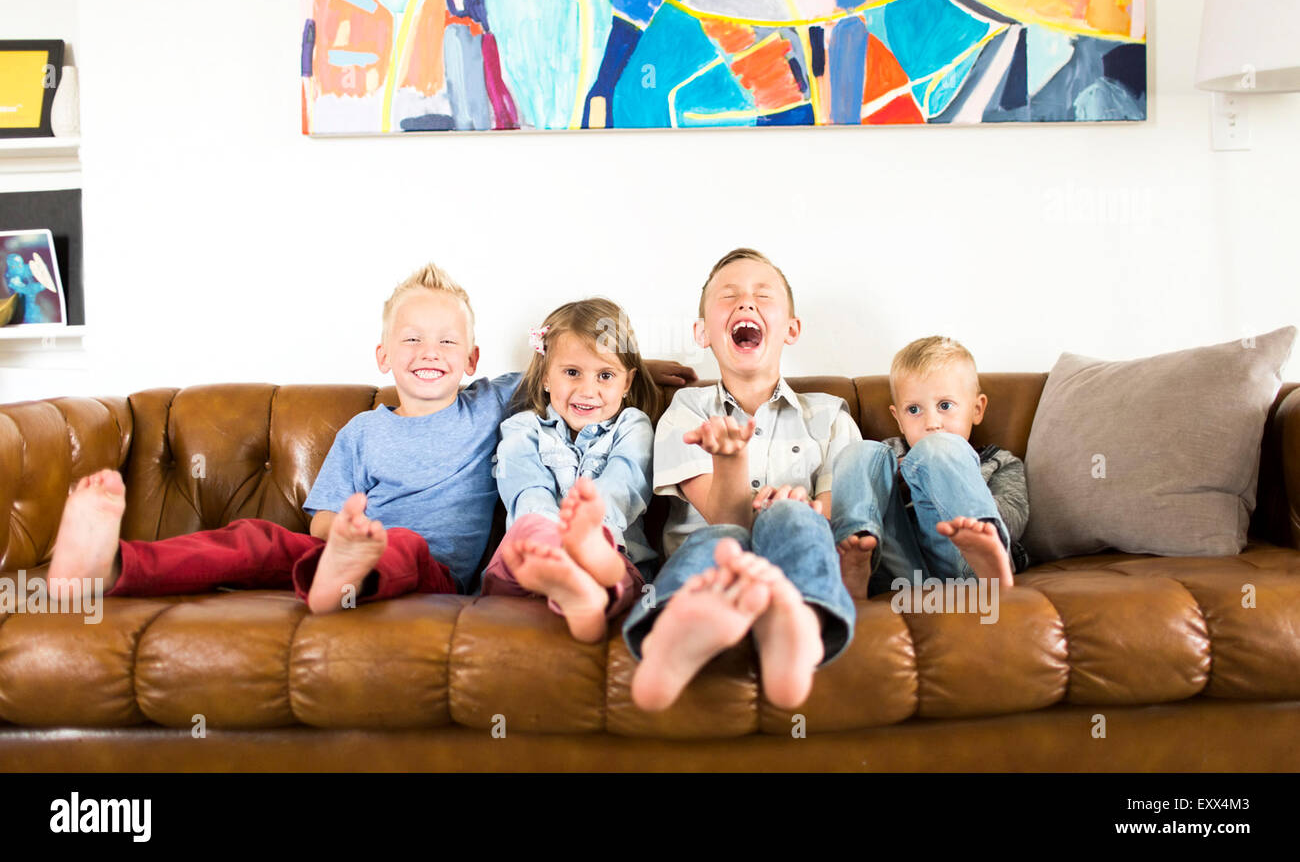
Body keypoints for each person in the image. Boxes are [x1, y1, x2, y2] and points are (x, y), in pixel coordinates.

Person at [47, 264, 696, 612]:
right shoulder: (362, 431)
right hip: (355, 551)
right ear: (382, 355)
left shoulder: (490, 403)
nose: (428, 352)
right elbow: (326, 518)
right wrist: (349, 541)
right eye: (411, 338)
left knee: (405, 546)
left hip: (432, 573)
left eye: (446, 341)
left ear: (471, 359)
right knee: (258, 539)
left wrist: (648, 373)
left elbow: (571, 371)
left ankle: (343, 582)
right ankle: (109, 568)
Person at [624, 248, 861, 712]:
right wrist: (730, 461)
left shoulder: (831, 416)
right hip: (713, 552)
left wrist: (806, 507)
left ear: (791, 328)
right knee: (721, 540)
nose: (746, 304)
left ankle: (797, 624)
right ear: (702, 333)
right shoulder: (685, 412)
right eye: (728, 296)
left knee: (794, 518)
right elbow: (726, 518)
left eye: (762, 296)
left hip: (793, 556)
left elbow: (836, 518)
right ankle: (674, 635)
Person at [480, 298, 659, 642]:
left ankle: (586, 586)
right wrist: (555, 546)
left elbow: (624, 485)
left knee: (609, 560)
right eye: (572, 372)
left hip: (610, 555)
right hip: (533, 559)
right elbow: (527, 493)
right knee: (530, 524)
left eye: (605, 375)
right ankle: (572, 586)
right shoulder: (523, 429)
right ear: (546, 375)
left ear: (627, 383)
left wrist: (588, 538)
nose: (587, 390)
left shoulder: (632, 426)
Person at [831, 336, 1029, 599]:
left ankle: (986, 561)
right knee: (859, 451)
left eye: (945, 406)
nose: (932, 423)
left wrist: (948, 482)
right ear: (898, 419)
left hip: (963, 565)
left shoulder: (999, 462)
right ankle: (857, 551)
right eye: (914, 409)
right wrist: (900, 481)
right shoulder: (887, 457)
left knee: (938, 448)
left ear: (977, 408)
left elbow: (1015, 517)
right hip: (900, 573)